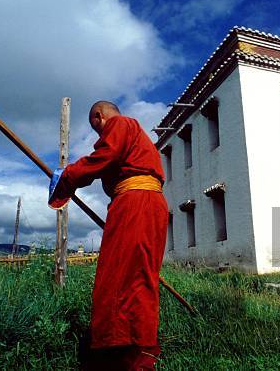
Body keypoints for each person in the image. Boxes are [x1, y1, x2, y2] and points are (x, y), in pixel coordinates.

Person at [48, 101, 168, 370]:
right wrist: (78, 179)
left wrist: (68, 175)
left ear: (99, 117)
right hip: (149, 204)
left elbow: (104, 157)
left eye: (96, 129)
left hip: (135, 203)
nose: (100, 137)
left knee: (118, 279)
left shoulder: (120, 124)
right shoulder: (136, 139)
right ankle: (141, 353)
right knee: (139, 277)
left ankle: (119, 355)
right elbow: (104, 163)